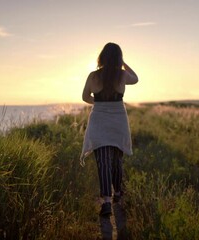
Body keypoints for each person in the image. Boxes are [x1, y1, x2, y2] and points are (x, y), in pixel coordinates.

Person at [81, 42, 138, 217]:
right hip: (118, 121)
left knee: (103, 162)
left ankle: (106, 200)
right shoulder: (122, 75)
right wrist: (123, 63)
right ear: (118, 58)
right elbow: (135, 78)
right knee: (116, 160)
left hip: (98, 120)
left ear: (102, 57)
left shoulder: (93, 76)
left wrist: (99, 103)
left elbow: (85, 97)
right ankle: (118, 194)